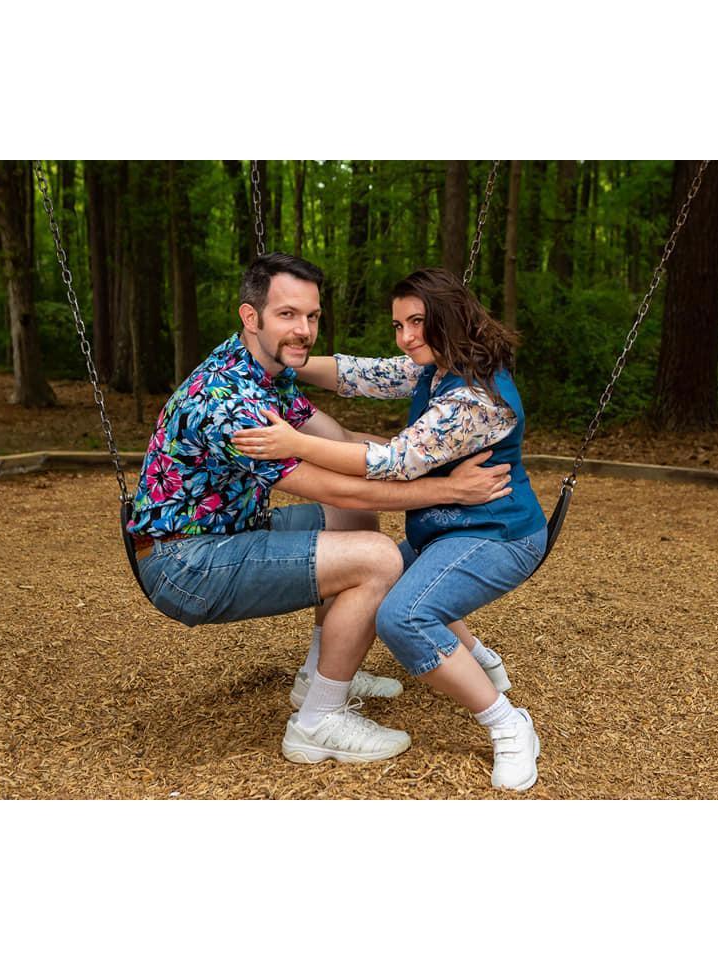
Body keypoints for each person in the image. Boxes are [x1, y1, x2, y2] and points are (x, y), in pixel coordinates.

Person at [127, 254, 513, 767]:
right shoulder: (226, 399)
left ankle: (318, 674)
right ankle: (318, 722)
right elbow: (349, 487)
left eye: (311, 316)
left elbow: (346, 444)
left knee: (350, 519)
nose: (303, 330)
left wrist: (434, 459)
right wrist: (451, 490)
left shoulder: (266, 370)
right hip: (186, 563)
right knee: (378, 559)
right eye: (287, 315)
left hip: (230, 528)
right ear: (252, 317)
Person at [232, 267, 548, 791]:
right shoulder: (438, 366)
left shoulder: (474, 399)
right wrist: (287, 360)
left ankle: (508, 724)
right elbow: (361, 374)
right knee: (382, 570)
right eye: (399, 326)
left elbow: (397, 461)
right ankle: (476, 658)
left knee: (403, 617)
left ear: (452, 316)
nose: (406, 338)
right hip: (449, 529)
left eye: (418, 323)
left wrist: (297, 443)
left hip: (498, 533)